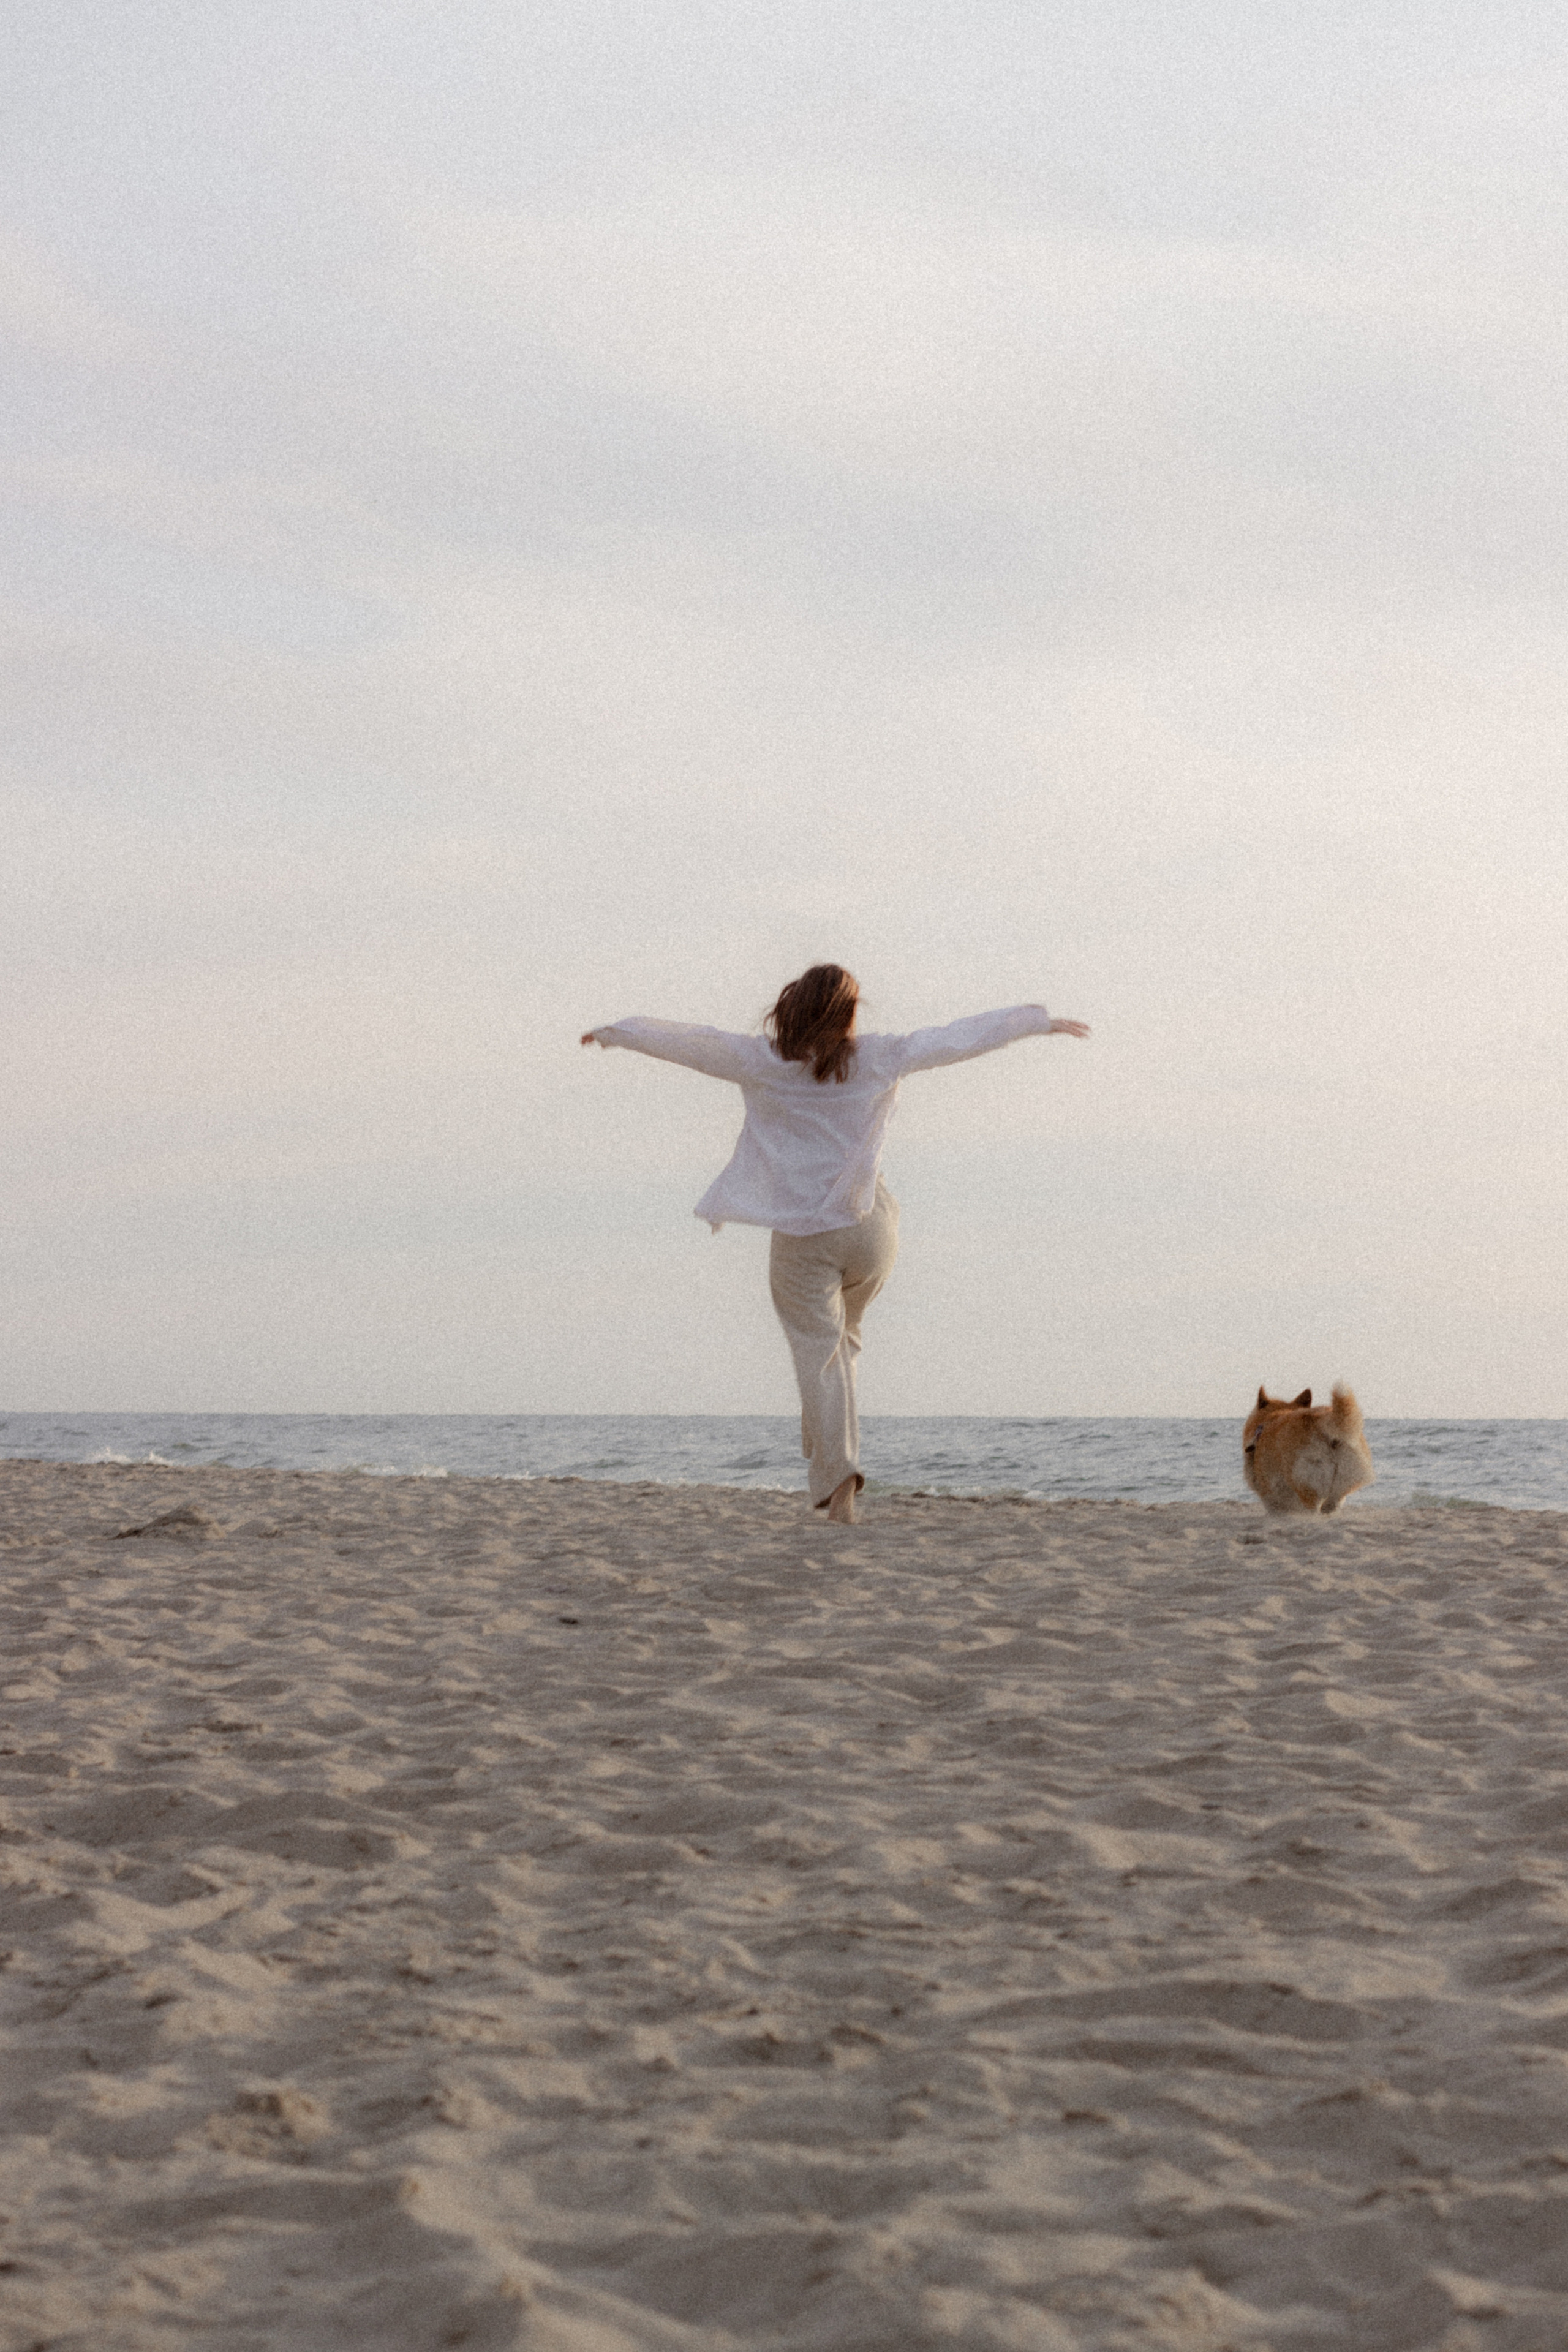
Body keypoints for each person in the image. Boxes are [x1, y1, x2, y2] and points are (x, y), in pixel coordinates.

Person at [581, 967, 1090, 1524]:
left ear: (792, 1008)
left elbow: (691, 1042)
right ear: (849, 1013)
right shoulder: (880, 1056)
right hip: (873, 1231)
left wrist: (617, 1031)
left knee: (819, 1356)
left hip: (805, 1238)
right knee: (838, 1345)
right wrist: (1035, 1022)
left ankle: (840, 1478)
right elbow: (955, 1037)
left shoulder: (763, 1060)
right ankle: (826, 1441)